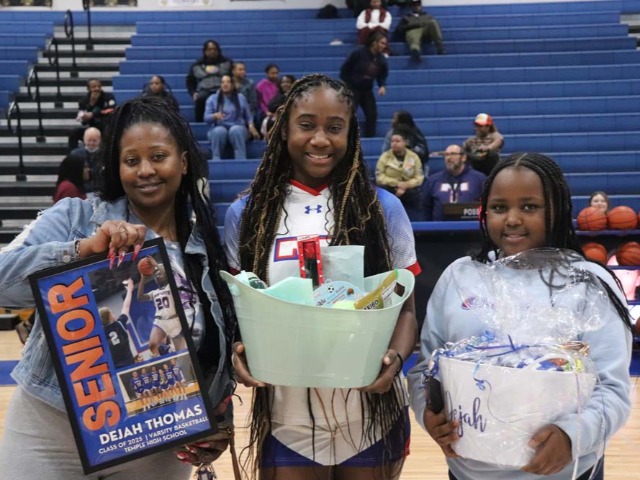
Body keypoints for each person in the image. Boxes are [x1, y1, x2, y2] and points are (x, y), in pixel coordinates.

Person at [0, 96, 238, 478]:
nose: (145, 170)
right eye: (131, 160)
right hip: (52, 431)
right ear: (117, 166)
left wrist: (216, 417)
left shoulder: (206, 249)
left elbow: (216, 350)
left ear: (183, 162)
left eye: (158, 156)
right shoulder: (77, 217)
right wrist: (80, 252)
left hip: (155, 440)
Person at [224, 73, 420, 480]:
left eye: (334, 127)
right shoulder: (246, 214)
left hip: (370, 411)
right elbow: (240, 312)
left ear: (351, 134)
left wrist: (396, 361)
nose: (320, 139)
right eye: (306, 125)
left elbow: (406, 311)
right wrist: (238, 351)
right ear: (284, 130)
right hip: (286, 415)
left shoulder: (383, 209)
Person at [407, 152, 633, 480]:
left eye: (529, 207)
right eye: (499, 208)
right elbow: (425, 370)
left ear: (557, 209)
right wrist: (428, 412)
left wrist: (573, 435)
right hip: (470, 472)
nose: (512, 219)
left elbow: (612, 388)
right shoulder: (460, 276)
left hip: (565, 472)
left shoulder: (589, 282)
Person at [340, 29, 389, 137]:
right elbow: (345, 68)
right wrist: (346, 84)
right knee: (349, 112)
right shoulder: (359, 52)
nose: (384, 46)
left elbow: (382, 73)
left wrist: (382, 85)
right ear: (374, 42)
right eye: (382, 43)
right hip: (352, 87)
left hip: (367, 89)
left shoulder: (381, 59)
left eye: (385, 44)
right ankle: (346, 137)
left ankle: (370, 137)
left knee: (372, 114)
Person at [137, 256, 187, 356]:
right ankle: (163, 354)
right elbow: (140, 297)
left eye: (160, 272)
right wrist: (142, 278)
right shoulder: (154, 292)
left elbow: (168, 274)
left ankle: (171, 351)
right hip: (161, 321)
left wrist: (155, 264)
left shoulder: (172, 286)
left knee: (181, 354)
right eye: (156, 274)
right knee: (152, 346)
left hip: (175, 321)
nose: (158, 274)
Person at [421, 144, 486, 221]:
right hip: (440, 226)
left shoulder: (479, 179)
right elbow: (425, 207)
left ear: (463, 157)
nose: (449, 158)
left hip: (471, 225)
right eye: (446, 155)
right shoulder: (433, 180)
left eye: (453, 154)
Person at [205, 74, 260, 160]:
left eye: (228, 82)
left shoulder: (241, 98)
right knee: (219, 131)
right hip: (219, 127)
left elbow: (248, 116)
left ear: (233, 84)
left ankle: (240, 159)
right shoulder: (212, 99)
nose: (225, 84)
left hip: (238, 127)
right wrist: (214, 116)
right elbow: (206, 118)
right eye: (223, 82)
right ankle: (216, 158)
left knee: (235, 130)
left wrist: (251, 126)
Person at [376, 128, 424, 220]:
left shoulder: (414, 157)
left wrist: (406, 185)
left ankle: (417, 221)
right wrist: (397, 183)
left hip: (409, 190)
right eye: (392, 141)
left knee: (416, 196)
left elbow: (419, 177)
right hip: (389, 188)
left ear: (405, 142)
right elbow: (380, 177)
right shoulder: (385, 157)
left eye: (397, 141)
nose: (394, 143)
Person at [186, 39, 233, 122]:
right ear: (205, 51)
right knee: (200, 99)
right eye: (209, 49)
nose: (212, 51)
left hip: (222, 89)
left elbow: (233, 77)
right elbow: (190, 80)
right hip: (205, 90)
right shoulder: (197, 65)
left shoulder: (227, 62)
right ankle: (200, 123)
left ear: (218, 50)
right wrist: (193, 93)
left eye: (215, 49)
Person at [67, 78, 116, 151]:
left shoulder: (108, 97)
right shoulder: (83, 101)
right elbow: (83, 121)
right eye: (94, 87)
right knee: (74, 132)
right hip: (92, 128)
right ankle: (73, 155)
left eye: (99, 86)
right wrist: (91, 104)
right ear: (88, 89)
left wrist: (93, 114)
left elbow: (111, 110)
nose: (97, 89)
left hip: (106, 127)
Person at [100, 278, 136, 369]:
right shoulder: (119, 324)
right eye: (111, 312)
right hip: (130, 364)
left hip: (116, 369)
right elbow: (126, 306)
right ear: (110, 316)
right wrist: (129, 291)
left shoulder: (101, 334)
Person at [261, 74, 295, 138]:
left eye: (288, 82)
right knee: (269, 121)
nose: (285, 84)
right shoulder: (279, 95)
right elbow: (271, 106)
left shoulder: (297, 95)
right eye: (283, 82)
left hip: (292, 117)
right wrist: (284, 96)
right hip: (277, 116)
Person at [70, 126, 101, 192]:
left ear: (100, 140)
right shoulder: (75, 154)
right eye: (89, 140)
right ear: (84, 139)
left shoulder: (105, 154)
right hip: (81, 190)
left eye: (94, 141)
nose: (91, 143)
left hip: (99, 189)